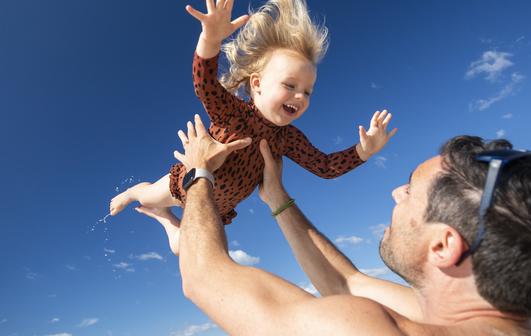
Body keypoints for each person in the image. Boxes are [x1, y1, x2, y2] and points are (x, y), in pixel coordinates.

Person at [173, 117, 531, 336]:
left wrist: (199, 174)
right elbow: (346, 283)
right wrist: (278, 199)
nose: (397, 194)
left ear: (443, 246)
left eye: (411, 192)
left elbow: (203, 277)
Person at [109, 0, 396, 254]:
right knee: (147, 196)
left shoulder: (289, 139)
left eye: (308, 91)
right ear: (256, 84)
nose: (300, 96)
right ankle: (134, 192)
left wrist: (363, 151)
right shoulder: (232, 112)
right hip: (186, 184)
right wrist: (210, 40)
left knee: (183, 249)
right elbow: (204, 84)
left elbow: (324, 166)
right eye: (290, 85)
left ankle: (164, 218)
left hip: (217, 206)